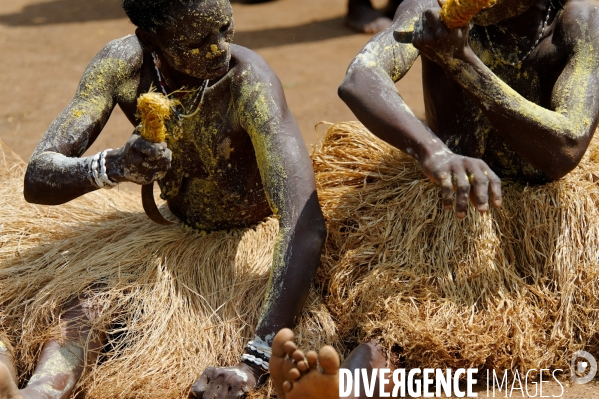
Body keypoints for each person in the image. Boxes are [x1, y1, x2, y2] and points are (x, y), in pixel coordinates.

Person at [0, 0, 326, 397]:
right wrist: (113, 166)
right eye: (198, 41)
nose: (220, 48)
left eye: (225, 29)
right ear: (151, 39)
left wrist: (254, 362)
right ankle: (37, 392)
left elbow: (303, 222)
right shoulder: (123, 64)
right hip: (172, 234)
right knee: (87, 307)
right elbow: (38, 179)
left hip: (253, 247)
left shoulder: (249, 81)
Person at [333, 0, 599, 396]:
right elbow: (360, 78)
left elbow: (564, 147)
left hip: (550, 230)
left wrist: (460, 62)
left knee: (577, 328)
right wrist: (434, 152)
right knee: (391, 335)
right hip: (450, 214)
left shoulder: (580, 22)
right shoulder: (431, 8)